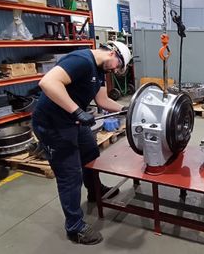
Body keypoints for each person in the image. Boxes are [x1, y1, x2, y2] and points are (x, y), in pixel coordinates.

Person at [32, 41, 132, 245]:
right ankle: (74, 227)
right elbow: (48, 82)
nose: (115, 70)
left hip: (72, 121)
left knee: (91, 153)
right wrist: (77, 111)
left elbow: (103, 102)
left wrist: (129, 109)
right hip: (53, 125)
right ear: (112, 53)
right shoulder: (81, 60)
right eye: (117, 66)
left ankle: (94, 191)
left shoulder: (101, 71)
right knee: (70, 175)